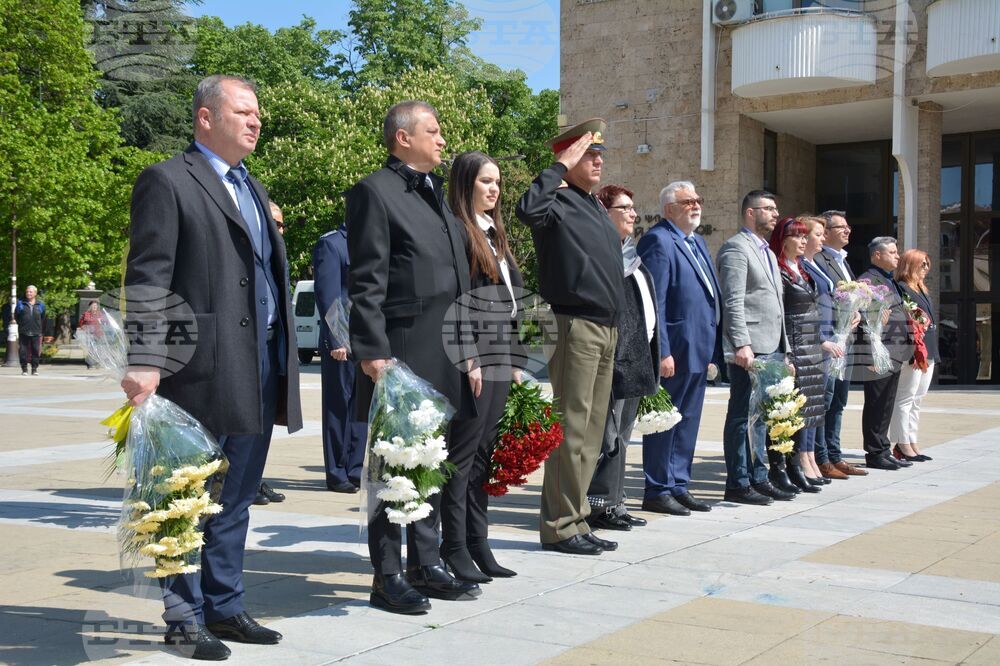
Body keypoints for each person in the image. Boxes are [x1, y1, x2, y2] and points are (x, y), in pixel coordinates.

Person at [121, 74, 303, 661]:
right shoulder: (168, 181)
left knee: (237, 496)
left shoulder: (252, 186)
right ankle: (183, 615)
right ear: (206, 118)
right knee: (186, 495)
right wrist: (147, 360)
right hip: (197, 370)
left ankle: (225, 605)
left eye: (258, 113)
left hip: (259, 365)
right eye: (244, 112)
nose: (256, 121)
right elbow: (149, 277)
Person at [347, 100, 481, 614]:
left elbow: (458, 278)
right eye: (434, 129)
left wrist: (468, 352)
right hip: (402, 354)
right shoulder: (373, 192)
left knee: (432, 461)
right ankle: (387, 574)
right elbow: (367, 280)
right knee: (395, 467)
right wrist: (374, 354)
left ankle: (426, 563)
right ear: (403, 138)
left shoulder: (436, 199)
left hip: (445, 350)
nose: (442, 138)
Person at [516, 119, 625, 556]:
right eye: (588, 154)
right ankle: (559, 525)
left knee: (592, 433)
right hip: (574, 324)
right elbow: (526, 209)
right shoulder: (555, 201)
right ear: (568, 158)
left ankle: (576, 517)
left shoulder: (593, 206)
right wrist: (559, 166)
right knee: (572, 430)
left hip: (606, 326)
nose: (597, 161)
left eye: (599, 155)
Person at [442, 150, 523, 581]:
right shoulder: (458, 230)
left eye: (497, 182)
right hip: (473, 355)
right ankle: (453, 544)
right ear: (465, 184)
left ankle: (478, 542)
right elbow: (457, 302)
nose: (493, 189)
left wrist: (513, 360)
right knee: (463, 453)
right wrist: (469, 354)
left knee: (483, 458)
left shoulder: (494, 233)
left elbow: (509, 305)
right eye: (484, 182)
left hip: (499, 353)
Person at [636, 181, 719, 516]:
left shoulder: (697, 241)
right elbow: (655, 302)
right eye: (688, 202)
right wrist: (662, 351)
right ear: (669, 209)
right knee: (665, 421)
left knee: (688, 421)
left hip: (700, 347)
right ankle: (657, 488)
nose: (696, 205)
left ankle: (679, 484)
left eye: (698, 199)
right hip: (675, 350)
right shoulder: (658, 239)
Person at [585, 184, 659, 530]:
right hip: (613, 359)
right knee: (607, 437)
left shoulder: (633, 257)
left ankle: (616, 502)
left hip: (638, 357)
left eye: (633, 207)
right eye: (624, 208)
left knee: (623, 435)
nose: (632, 213)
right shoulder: (603, 258)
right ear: (604, 213)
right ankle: (599, 505)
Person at [717, 190, 794, 505]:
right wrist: (741, 343)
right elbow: (733, 301)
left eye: (776, 208)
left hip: (773, 346)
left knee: (762, 416)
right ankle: (737, 482)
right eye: (769, 208)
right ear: (750, 212)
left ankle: (759, 477)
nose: (775, 214)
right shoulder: (737, 248)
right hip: (750, 348)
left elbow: (776, 304)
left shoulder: (767, 252)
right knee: (741, 415)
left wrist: (785, 348)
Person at [770, 216, 834, 493]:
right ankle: (782, 467)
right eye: (797, 236)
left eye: (804, 236)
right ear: (783, 240)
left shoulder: (804, 270)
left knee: (805, 410)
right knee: (786, 411)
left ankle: (798, 465)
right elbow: (779, 314)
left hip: (811, 346)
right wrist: (786, 352)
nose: (803, 241)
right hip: (794, 345)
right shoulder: (779, 269)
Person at [313, 223, 367, 494]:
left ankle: (355, 469)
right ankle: (336, 472)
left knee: (361, 409)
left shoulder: (371, 242)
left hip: (367, 340)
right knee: (338, 408)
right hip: (343, 339)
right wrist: (337, 338)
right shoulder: (332, 244)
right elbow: (329, 294)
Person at [813, 210, 867, 478]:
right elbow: (825, 298)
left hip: (846, 339)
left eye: (848, 226)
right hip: (830, 338)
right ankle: (821, 457)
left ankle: (835, 455)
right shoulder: (820, 259)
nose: (847, 231)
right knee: (825, 399)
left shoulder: (844, 261)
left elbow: (848, 297)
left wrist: (857, 311)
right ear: (826, 231)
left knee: (839, 400)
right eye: (840, 227)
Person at [858, 236, 913, 471]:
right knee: (877, 401)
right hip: (879, 352)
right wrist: (870, 356)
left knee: (887, 401)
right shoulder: (868, 281)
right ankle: (874, 451)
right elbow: (863, 322)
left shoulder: (889, 281)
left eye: (896, 251)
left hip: (894, 350)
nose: (897, 256)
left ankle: (883, 447)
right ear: (877, 256)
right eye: (892, 252)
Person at [254, 202, 290, 507]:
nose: (281, 230)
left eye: (282, 225)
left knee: (264, 424)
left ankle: (254, 478)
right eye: (276, 224)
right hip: (247, 351)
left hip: (272, 348)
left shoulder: (273, 257)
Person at [889, 249, 938, 462]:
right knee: (905, 398)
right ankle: (901, 444)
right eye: (922, 264)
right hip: (912, 350)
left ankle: (911, 440)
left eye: (927, 264)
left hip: (928, 348)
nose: (926, 268)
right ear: (910, 265)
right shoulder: (901, 289)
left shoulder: (922, 289)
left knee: (917, 399)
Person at [15, 285, 45, 376]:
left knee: (36, 350)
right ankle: (24, 369)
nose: (28, 293)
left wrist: (39, 329)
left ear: (35, 293)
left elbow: (42, 317)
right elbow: (17, 316)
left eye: (30, 292)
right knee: (23, 351)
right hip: (24, 331)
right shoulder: (20, 304)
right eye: (27, 291)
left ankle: (34, 369)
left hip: (36, 332)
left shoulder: (40, 305)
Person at [78, 300, 102, 370]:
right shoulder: (86, 314)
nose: (95, 307)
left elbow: (104, 322)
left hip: (98, 334)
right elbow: (81, 323)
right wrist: (83, 328)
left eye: (96, 306)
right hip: (89, 334)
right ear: (90, 307)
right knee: (91, 349)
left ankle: (98, 363)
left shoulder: (99, 314)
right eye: (93, 306)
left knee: (98, 349)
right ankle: (90, 364)